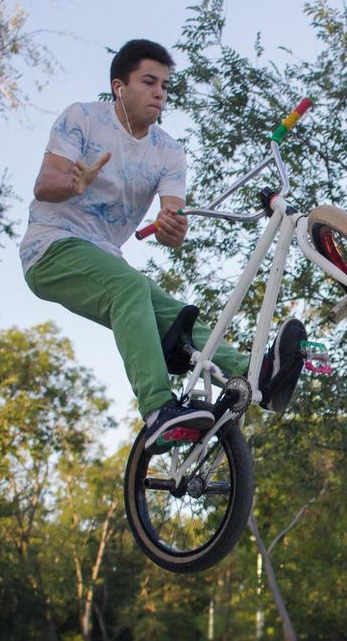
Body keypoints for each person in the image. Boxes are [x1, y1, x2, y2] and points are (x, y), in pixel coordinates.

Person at [20, 39, 306, 447]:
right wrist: (74, 182)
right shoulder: (82, 118)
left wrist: (173, 227)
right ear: (120, 86)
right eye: (149, 82)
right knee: (130, 287)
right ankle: (158, 409)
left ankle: (254, 373)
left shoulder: (168, 152)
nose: (159, 93)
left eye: (165, 86)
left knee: (178, 317)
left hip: (103, 258)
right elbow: (44, 186)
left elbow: (175, 219)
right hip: (50, 249)